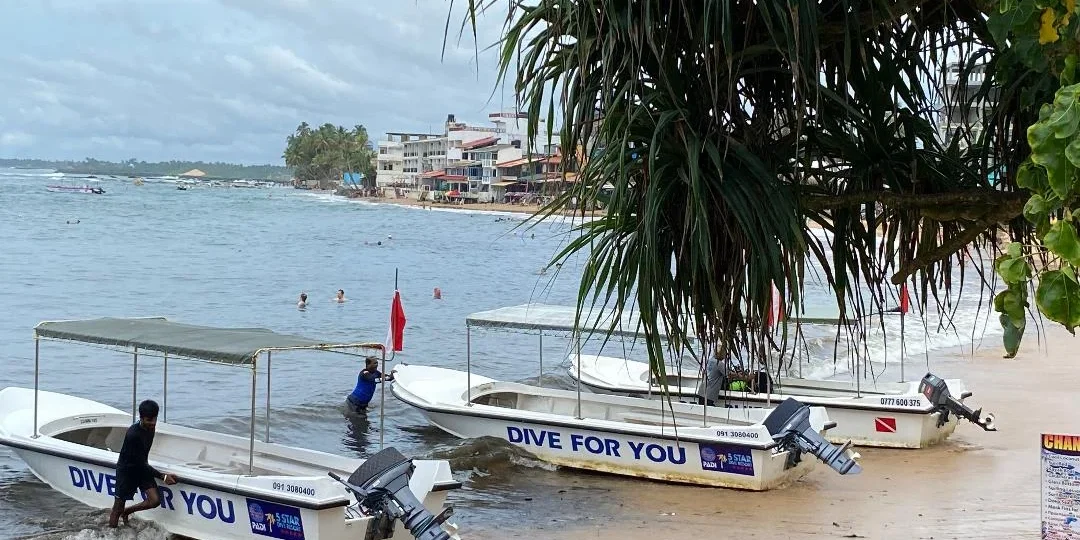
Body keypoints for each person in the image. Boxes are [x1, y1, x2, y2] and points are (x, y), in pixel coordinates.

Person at [109, 399, 177, 528]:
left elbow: (141, 462)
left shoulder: (151, 427)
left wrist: (163, 475)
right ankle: (112, 530)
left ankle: (127, 512)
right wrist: (163, 476)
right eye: (148, 420)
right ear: (141, 418)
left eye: (154, 420)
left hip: (142, 467)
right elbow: (138, 462)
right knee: (117, 508)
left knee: (155, 500)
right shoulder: (133, 435)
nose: (152, 423)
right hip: (127, 470)